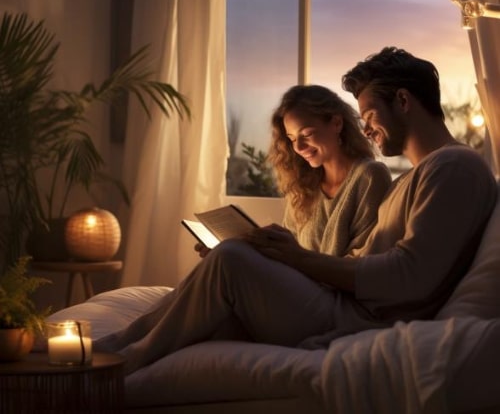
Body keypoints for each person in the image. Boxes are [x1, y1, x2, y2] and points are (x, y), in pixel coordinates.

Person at [96, 47, 496, 374]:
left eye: (370, 115)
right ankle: (117, 344)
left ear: (404, 101)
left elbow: (408, 276)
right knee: (229, 269)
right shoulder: (413, 178)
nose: (368, 129)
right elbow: (369, 261)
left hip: (359, 320)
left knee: (233, 260)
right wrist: (282, 257)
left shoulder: (453, 167)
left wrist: (297, 258)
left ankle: (118, 362)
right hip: (342, 304)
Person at [196, 84, 391, 259]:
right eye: (291, 138)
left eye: (307, 134)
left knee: (227, 258)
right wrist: (242, 247)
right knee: (225, 254)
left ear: (336, 123)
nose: (298, 146)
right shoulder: (305, 185)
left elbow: (363, 262)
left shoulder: (370, 175)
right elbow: (289, 255)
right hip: (300, 286)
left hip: (335, 294)